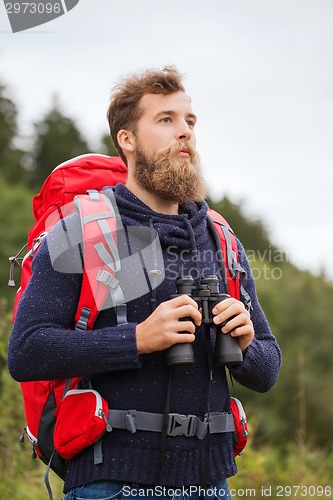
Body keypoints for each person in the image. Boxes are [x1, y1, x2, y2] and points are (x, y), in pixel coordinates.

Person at [8, 66, 281, 500]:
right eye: (166, 119)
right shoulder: (79, 232)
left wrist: (246, 344)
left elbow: (267, 370)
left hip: (211, 485)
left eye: (190, 121)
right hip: (111, 485)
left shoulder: (219, 239)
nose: (185, 132)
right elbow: (26, 352)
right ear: (127, 140)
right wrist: (137, 339)